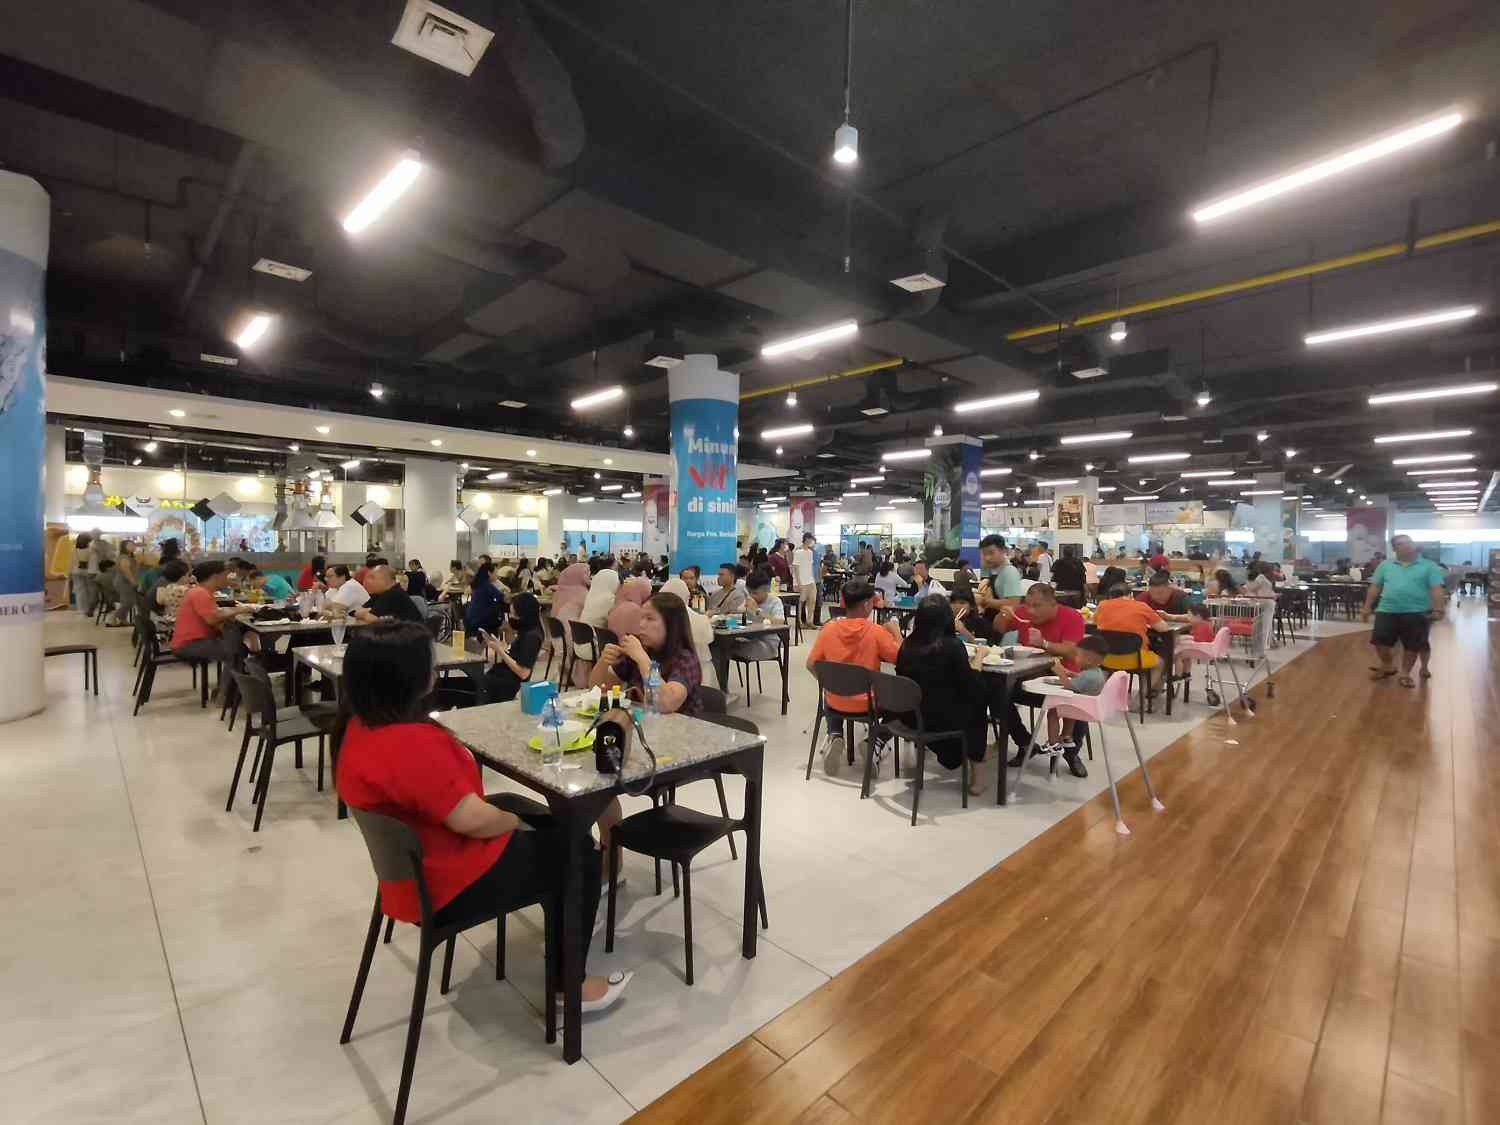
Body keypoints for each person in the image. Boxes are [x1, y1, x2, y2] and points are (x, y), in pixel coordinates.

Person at [334, 622, 631, 1011]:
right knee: (581, 855)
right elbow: (473, 821)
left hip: (415, 871)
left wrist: (511, 817)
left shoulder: (355, 729)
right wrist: (511, 823)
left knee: (544, 821)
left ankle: (568, 915)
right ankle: (568, 982)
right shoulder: (408, 744)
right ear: (407, 677)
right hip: (451, 880)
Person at [804, 579, 902, 775]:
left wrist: (829, 684)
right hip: (869, 704)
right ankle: (875, 741)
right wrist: (897, 634)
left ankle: (835, 734)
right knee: (903, 707)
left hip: (835, 702)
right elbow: (900, 658)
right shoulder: (876, 632)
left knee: (829, 692)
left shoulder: (829, 628)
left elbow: (810, 664)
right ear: (867, 604)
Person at [895, 597, 989, 793]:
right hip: (940, 721)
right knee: (978, 703)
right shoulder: (953, 646)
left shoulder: (907, 645)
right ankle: (978, 778)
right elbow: (971, 685)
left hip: (910, 717)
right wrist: (980, 656)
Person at [1000, 584, 1089, 775]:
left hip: (1064, 679)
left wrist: (1043, 643)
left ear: (1052, 603)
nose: (1031, 611)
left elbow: (1071, 650)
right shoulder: (1022, 613)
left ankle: (1072, 753)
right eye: (1029, 605)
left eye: (1037, 606)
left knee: (1079, 699)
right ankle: (1026, 744)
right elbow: (998, 628)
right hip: (1029, 678)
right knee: (999, 696)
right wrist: (1003, 615)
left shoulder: (1071, 616)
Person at [591, 592, 705, 716]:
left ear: (671, 625)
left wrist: (642, 659)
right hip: (643, 723)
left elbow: (664, 703)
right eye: (641, 618)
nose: (641, 624)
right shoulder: (642, 649)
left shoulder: (685, 659)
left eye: (649, 619)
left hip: (681, 730)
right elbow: (596, 688)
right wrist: (604, 661)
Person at [1362, 534, 1445, 687]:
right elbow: (1375, 586)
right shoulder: (1385, 565)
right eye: (1401, 544)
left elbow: (1436, 589)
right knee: (1380, 642)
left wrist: (1439, 608)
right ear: (1394, 549)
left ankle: (1405, 673)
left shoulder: (1429, 566)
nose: (1406, 545)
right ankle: (1388, 665)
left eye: (1409, 542)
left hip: (1417, 612)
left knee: (1412, 646)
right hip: (1386, 610)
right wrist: (1366, 606)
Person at [1093, 582, 1175, 694]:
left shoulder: (1102, 605)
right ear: (1131, 595)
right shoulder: (1141, 606)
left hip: (1106, 659)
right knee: (1161, 662)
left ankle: (1108, 695)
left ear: (1110, 596)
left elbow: (1095, 621)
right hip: (1135, 659)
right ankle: (1142, 696)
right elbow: (1164, 628)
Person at [1037, 633, 1110, 755]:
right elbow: (1082, 679)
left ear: (1089, 660)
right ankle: (1066, 737)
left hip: (1082, 708)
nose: (1075, 658)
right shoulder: (1096, 672)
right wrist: (1071, 674)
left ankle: (1053, 744)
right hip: (1087, 706)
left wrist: (1060, 672)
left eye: (1077, 655)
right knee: (1068, 708)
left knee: (1053, 712)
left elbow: (1070, 686)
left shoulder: (1088, 675)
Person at [170, 561, 241, 665]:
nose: (227, 579)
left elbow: (214, 616)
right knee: (235, 651)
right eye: (225, 575)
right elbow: (212, 619)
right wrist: (240, 610)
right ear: (216, 577)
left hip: (193, 641)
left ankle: (232, 680)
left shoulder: (202, 591)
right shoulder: (200, 593)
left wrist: (228, 613)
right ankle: (231, 681)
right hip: (188, 644)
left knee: (236, 646)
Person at [479, 592, 545, 703]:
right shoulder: (528, 631)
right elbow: (517, 656)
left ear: (524, 614)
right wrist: (502, 647)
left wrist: (500, 651)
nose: (511, 618)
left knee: (471, 686)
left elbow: (523, 673)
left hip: (506, 684)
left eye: (514, 615)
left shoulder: (531, 637)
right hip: (501, 677)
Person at [725, 569, 784, 665]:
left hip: (768, 644)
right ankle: (719, 680)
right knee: (720, 646)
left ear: (766, 590)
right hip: (749, 639)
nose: (752, 596)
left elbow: (780, 623)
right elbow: (737, 616)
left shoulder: (775, 601)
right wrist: (729, 617)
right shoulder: (749, 599)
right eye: (749, 592)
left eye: (755, 593)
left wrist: (757, 610)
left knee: (726, 649)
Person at [975, 535, 1023, 621]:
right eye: (984, 554)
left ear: (1003, 550)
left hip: (1004, 625)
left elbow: (1013, 603)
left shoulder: (1009, 572)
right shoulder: (994, 571)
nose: (987, 558)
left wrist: (983, 601)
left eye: (991, 553)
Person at [355, 564, 424, 623]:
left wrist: (367, 614)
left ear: (385, 580)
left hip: (411, 635)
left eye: (373, 578)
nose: (369, 581)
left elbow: (369, 619)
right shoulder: (378, 594)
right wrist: (367, 613)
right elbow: (358, 613)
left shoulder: (393, 593)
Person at [463, 562, 506, 637]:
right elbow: (504, 598)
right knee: (506, 625)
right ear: (489, 573)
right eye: (496, 573)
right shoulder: (487, 585)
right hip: (482, 621)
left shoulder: (478, 583)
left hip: (470, 620)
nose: (497, 575)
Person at [792, 533, 817, 628]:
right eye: (810, 540)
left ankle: (810, 621)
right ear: (806, 539)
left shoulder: (810, 552)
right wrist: (798, 583)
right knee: (801, 602)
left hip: (810, 580)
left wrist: (813, 579)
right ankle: (799, 622)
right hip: (801, 581)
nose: (811, 542)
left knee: (812, 601)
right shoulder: (798, 552)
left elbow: (810, 567)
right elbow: (796, 568)